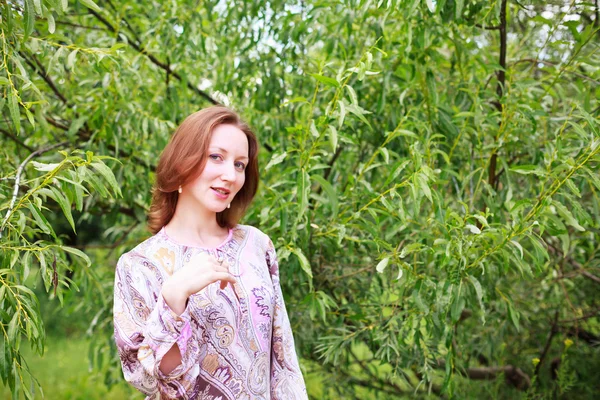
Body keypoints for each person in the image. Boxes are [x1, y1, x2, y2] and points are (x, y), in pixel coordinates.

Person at [113, 106, 308, 399]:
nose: (230, 175)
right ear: (182, 162)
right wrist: (173, 300)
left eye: (240, 165)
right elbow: (156, 382)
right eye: (216, 157)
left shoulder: (256, 246)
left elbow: (283, 361)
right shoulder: (138, 266)